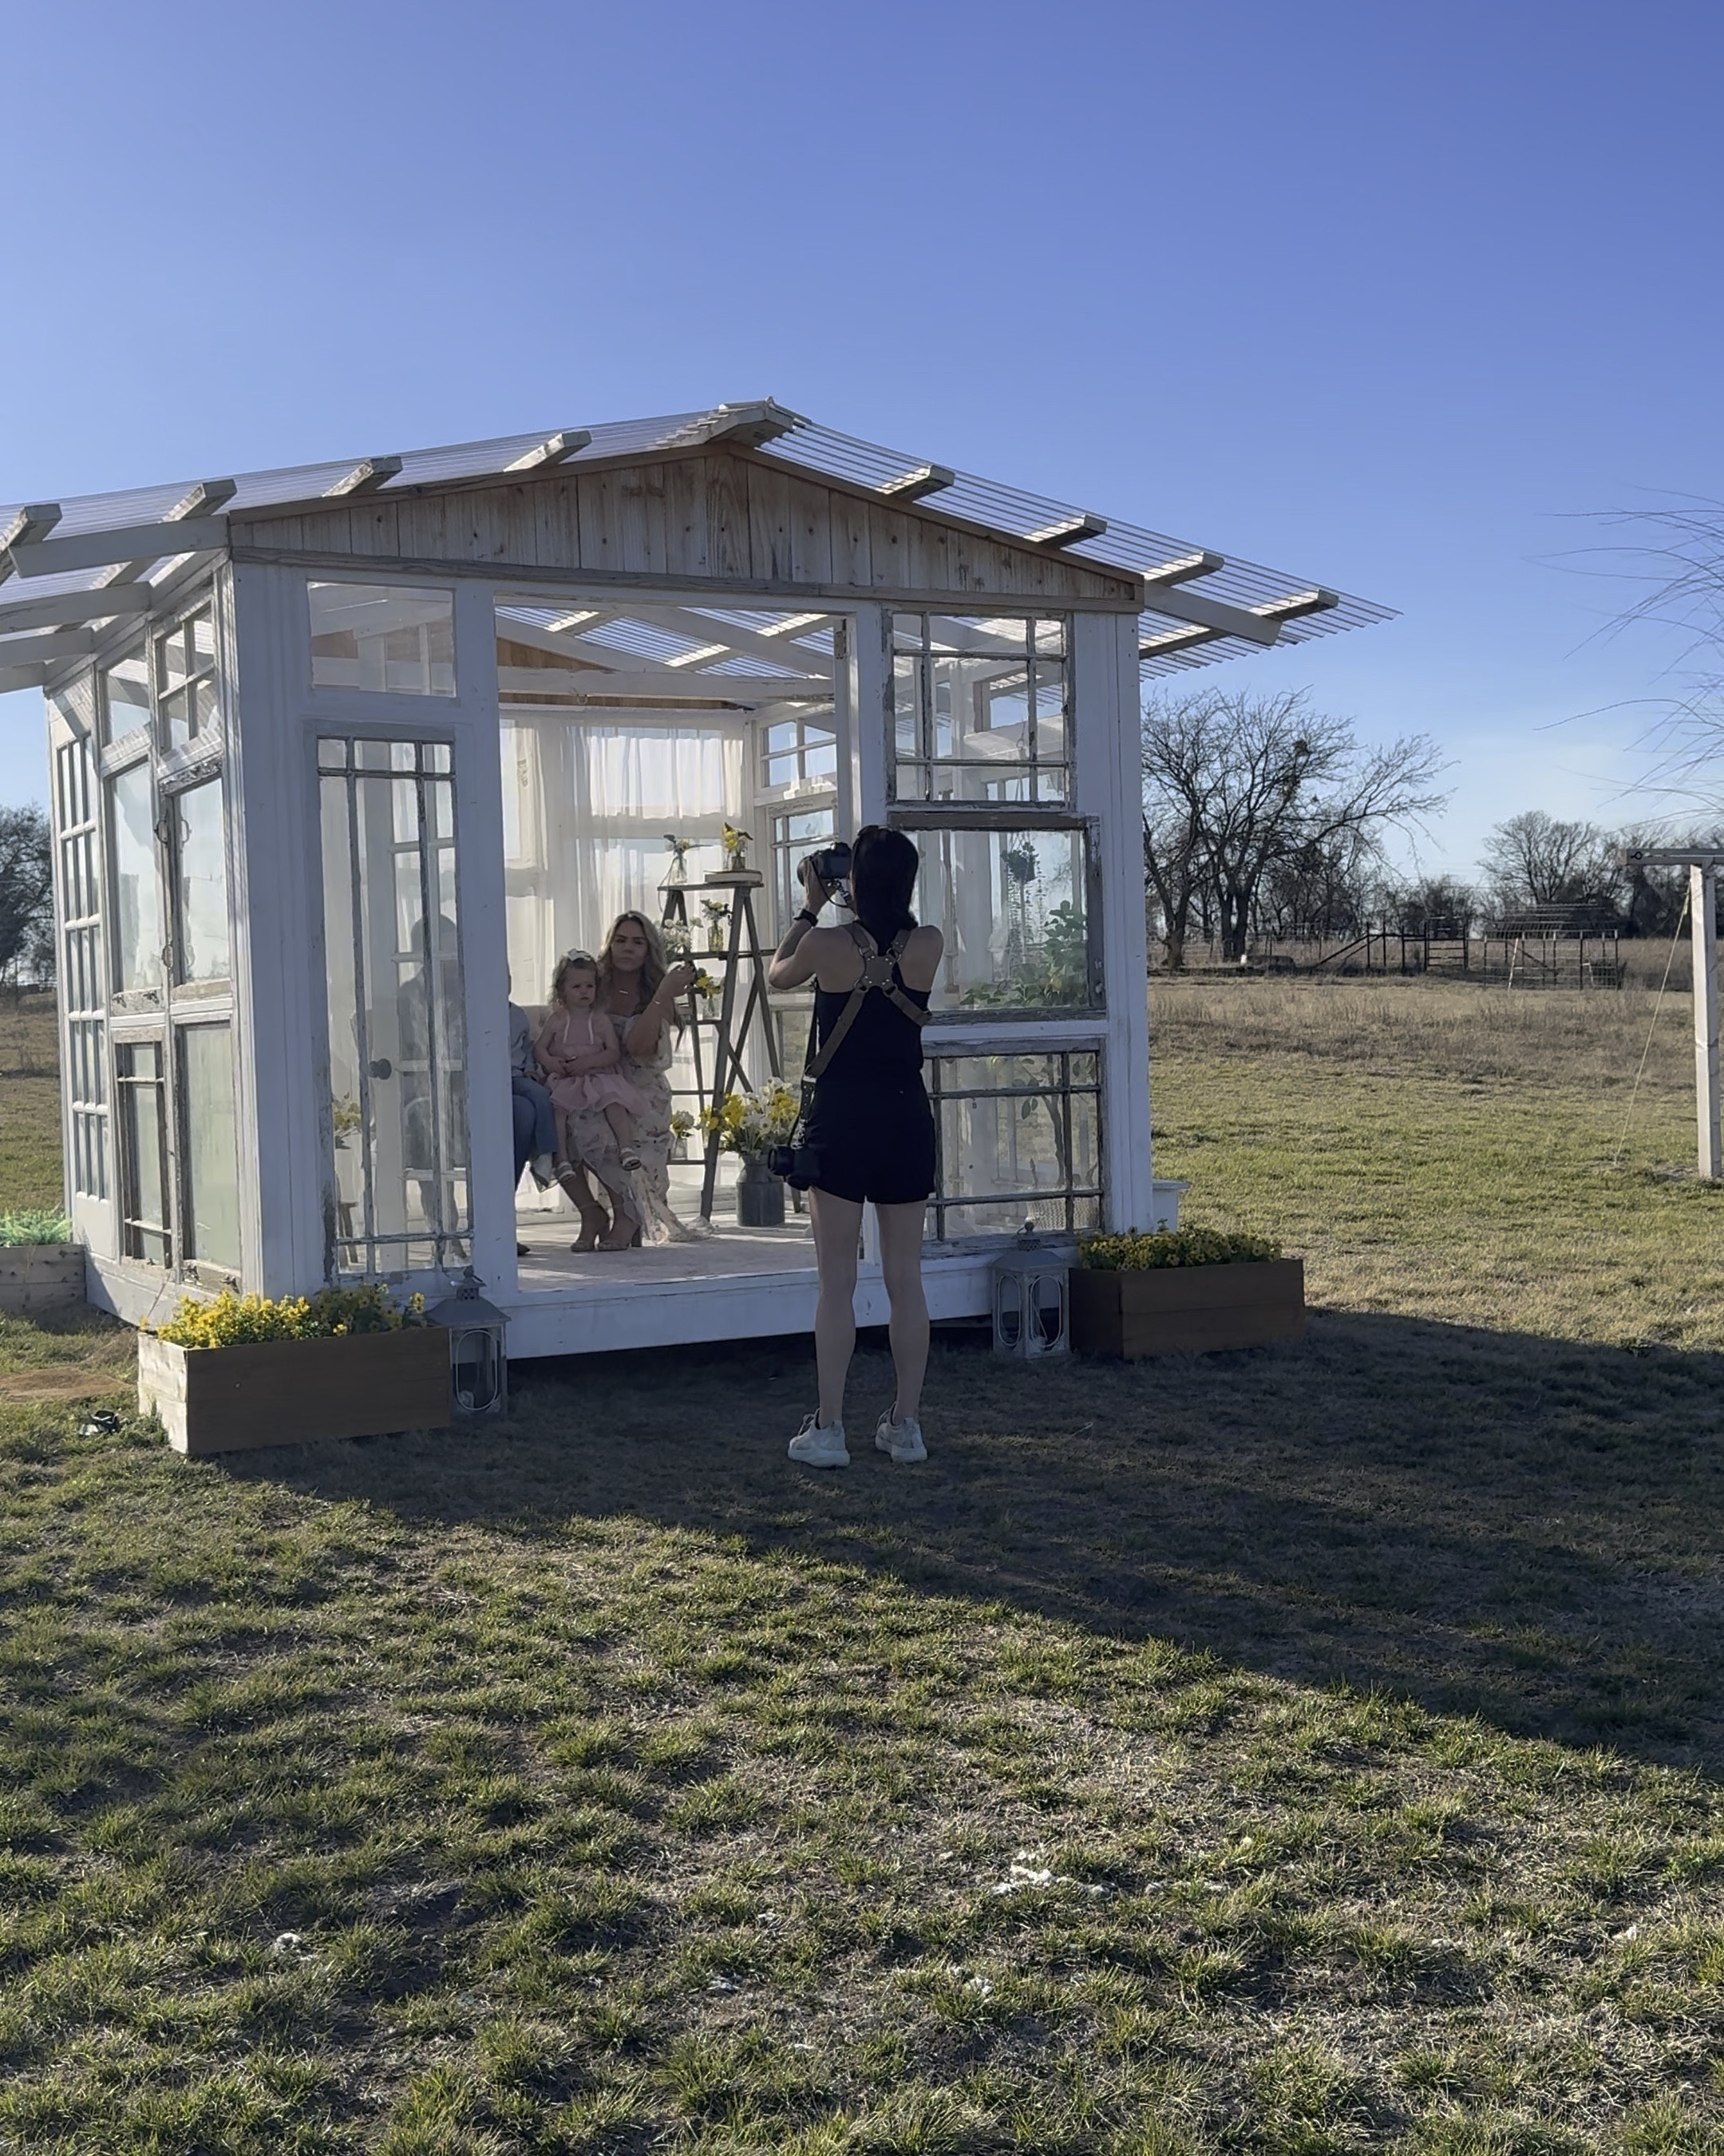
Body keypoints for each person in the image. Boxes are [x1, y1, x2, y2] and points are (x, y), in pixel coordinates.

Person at [766, 825, 943, 1470]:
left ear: (856, 880)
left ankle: (829, 1426)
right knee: (905, 1278)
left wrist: (810, 905)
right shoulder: (929, 944)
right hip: (905, 1115)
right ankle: (906, 1423)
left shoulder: (826, 943)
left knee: (836, 1281)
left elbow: (777, 974)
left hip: (842, 1118)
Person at [562, 913, 697, 1249]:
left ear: (649, 949)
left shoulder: (656, 991)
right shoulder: (593, 986)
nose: (628, 948)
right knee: (563, 1120)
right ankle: (592, 1213)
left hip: (641, 1086)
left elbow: (638, 1048)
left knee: (615, 1129)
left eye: (638, 942)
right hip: (597, 1079)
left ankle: (627, 1215)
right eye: (620, 940)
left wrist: (662, 995)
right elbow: (563, 1024)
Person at [537, 952, 652, 1172]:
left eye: (589, 986)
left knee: (614, 1101)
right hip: (567, 1078)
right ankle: (562, 1160)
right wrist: (550, 1062)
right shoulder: (557, 1019)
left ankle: (626, 1148)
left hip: (598, 1076)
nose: (584, 991)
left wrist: (588, 1062)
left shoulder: (600, 1019)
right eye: (577, 986)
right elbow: (540, 1047)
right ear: (562, 989)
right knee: (557, 1111)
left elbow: (613, 1052)